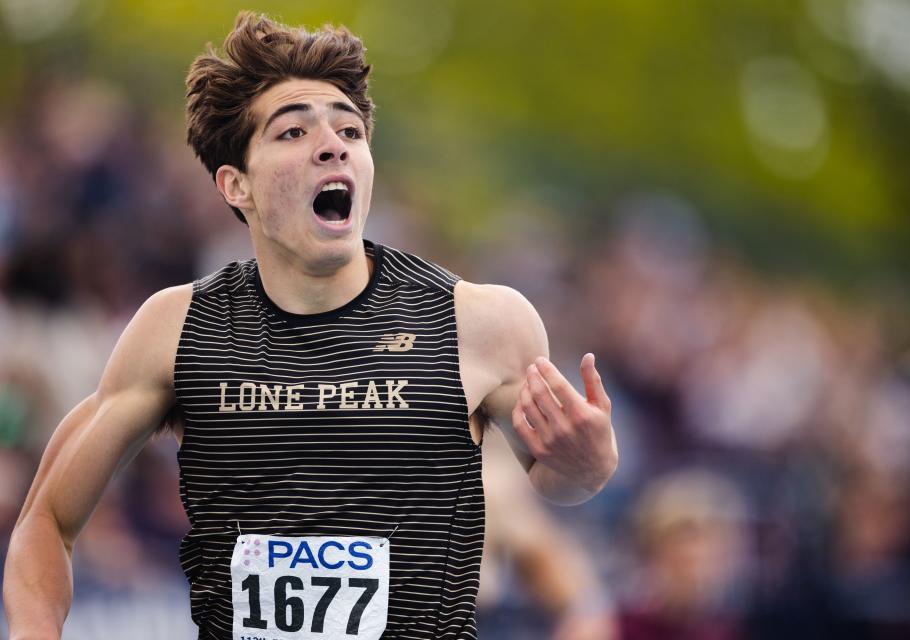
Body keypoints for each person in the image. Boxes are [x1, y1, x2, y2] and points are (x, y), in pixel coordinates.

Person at [3, 11, 618, 640]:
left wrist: (591, 465)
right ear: (235, 184)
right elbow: (46, 521)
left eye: (349, 130)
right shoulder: (177, 327)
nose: (333, 143)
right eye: (293, 132)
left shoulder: (480, 321)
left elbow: (557, 484)